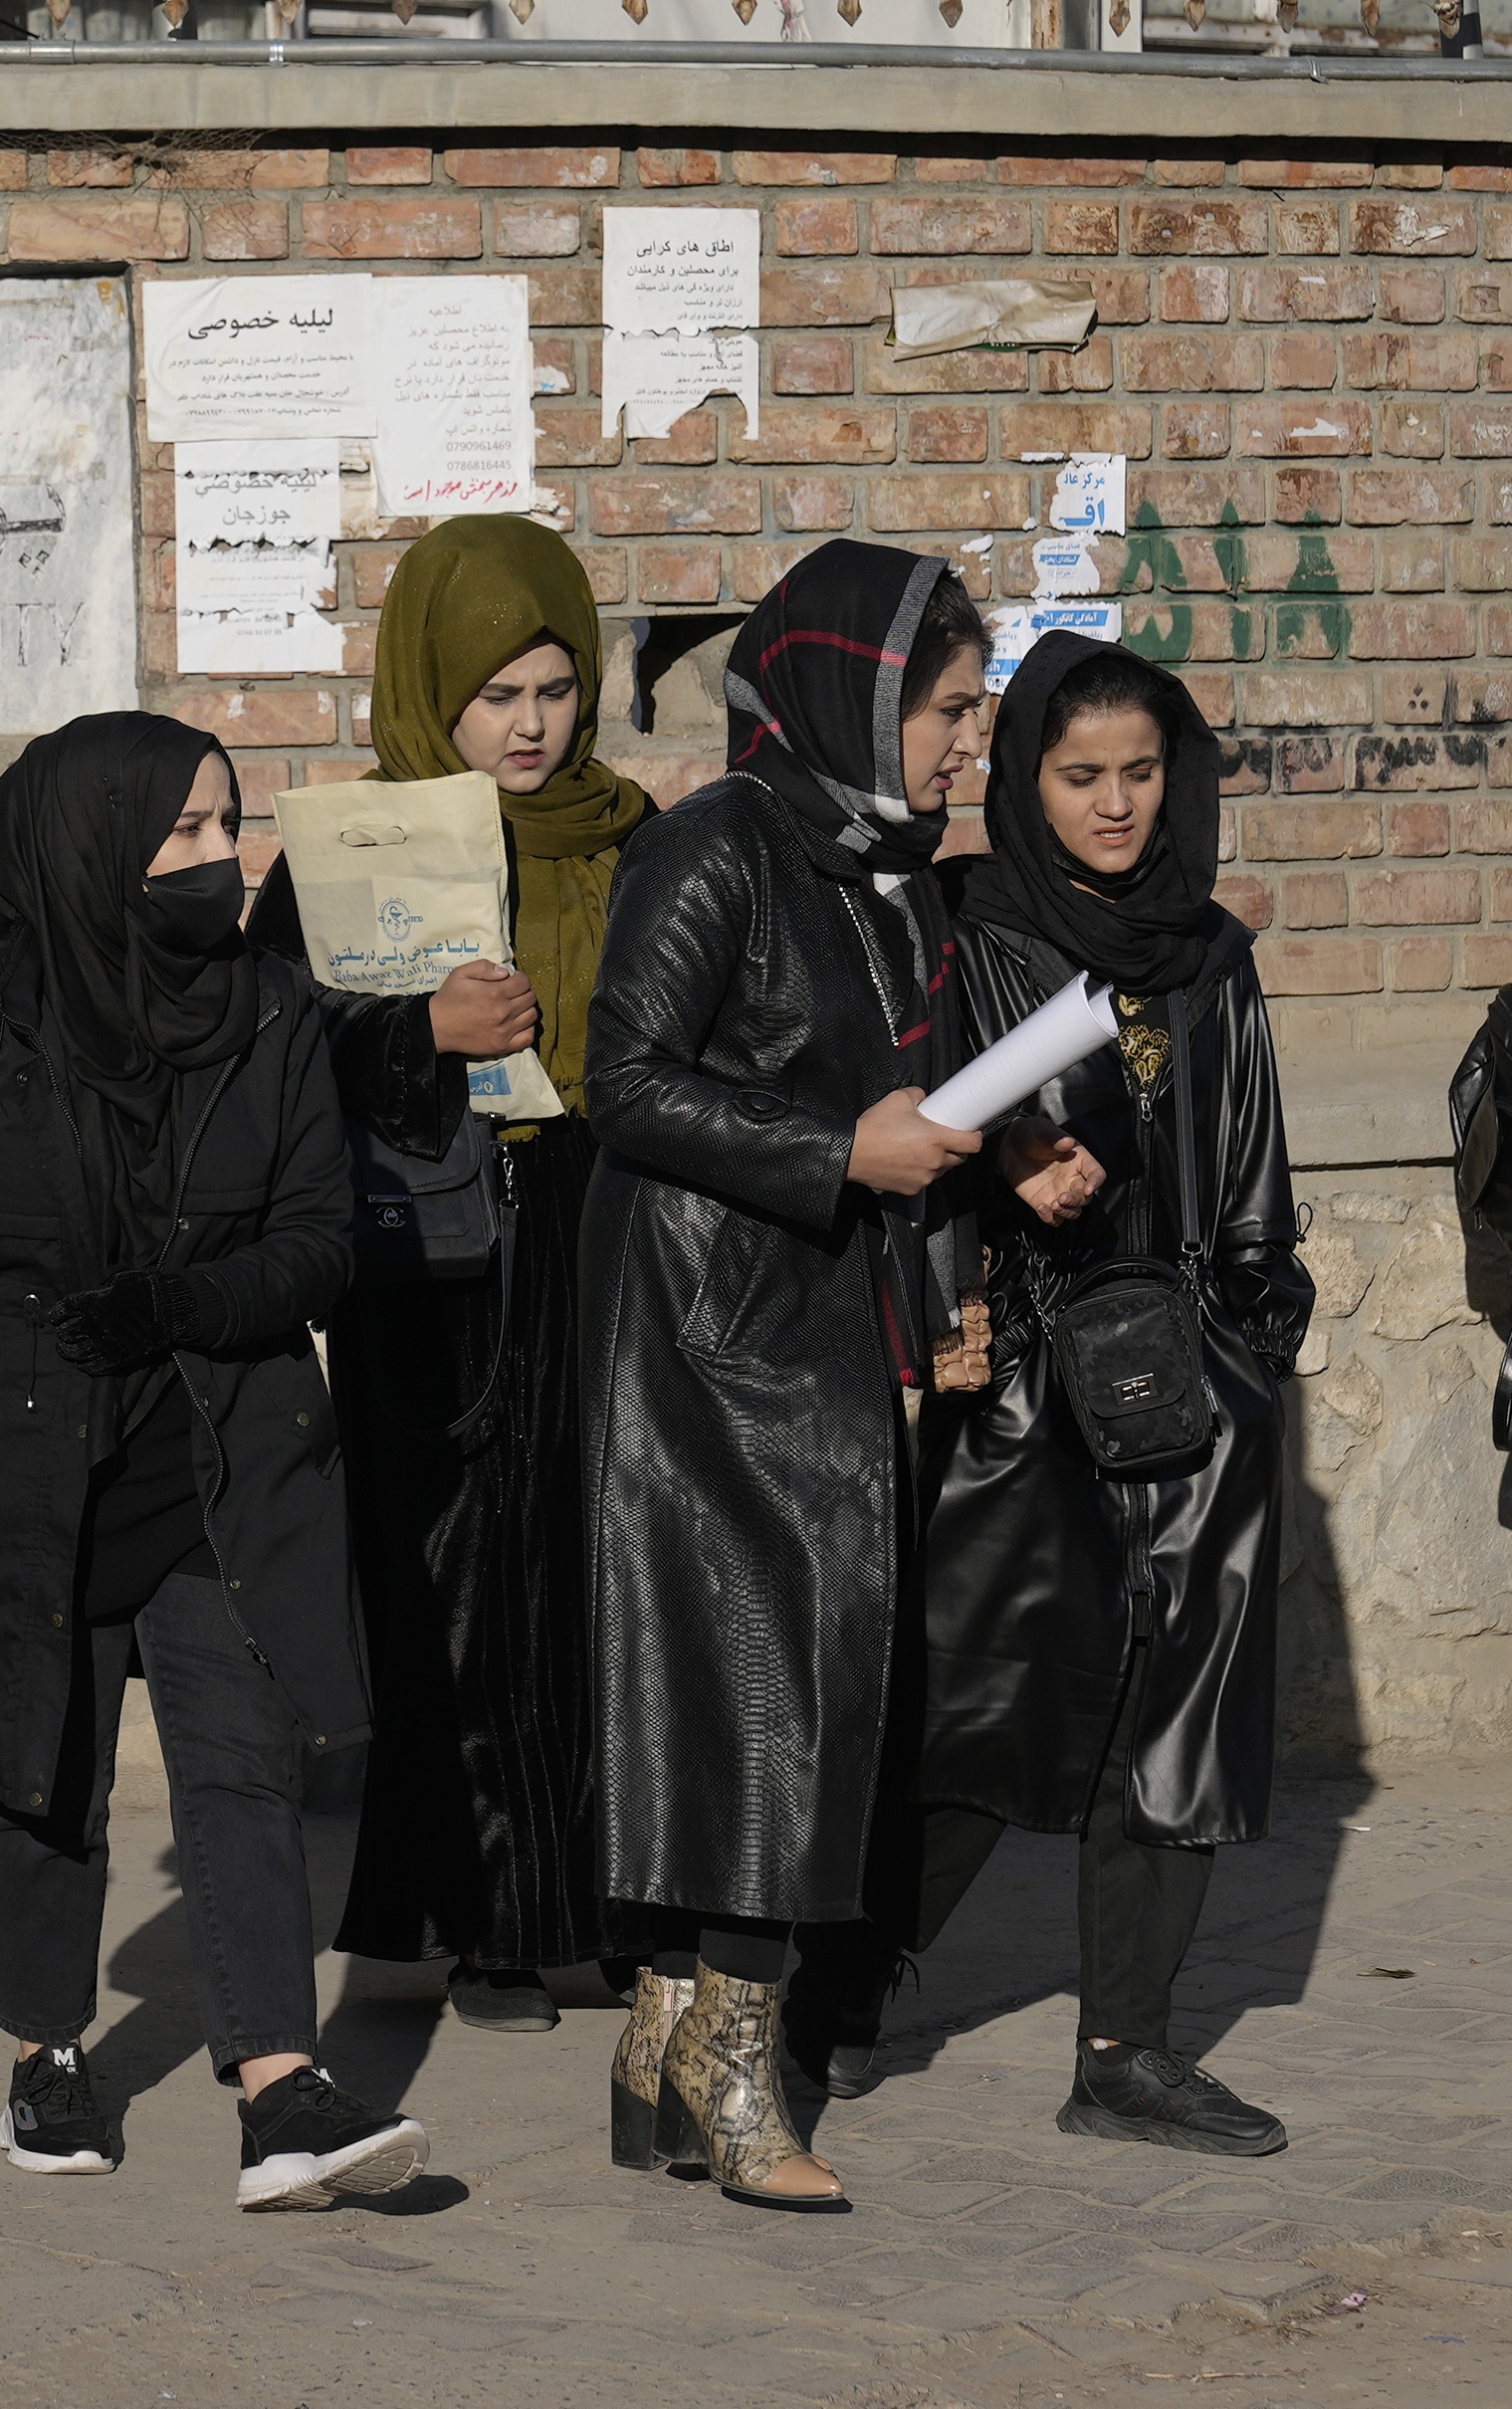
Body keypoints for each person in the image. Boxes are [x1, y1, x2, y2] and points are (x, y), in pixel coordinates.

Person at [0, 712, 423, 2213]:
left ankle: (280, 2088)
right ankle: (47, 2054)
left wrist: (182, 1304)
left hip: (212, 1459)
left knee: (241, 1763)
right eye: (187, 834)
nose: (224, 862)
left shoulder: (275, 1015)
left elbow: (316, 1246)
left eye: (232, 827)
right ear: (93, 847)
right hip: (17, 1471)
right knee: (49, 1774)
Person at [579, 540, 996, 2219]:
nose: (967, 744)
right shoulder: (713, 847)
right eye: (949, 711)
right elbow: (619, 1080)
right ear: (858, 691)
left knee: (753, 1674)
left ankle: (662, 2042)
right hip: (704, 1331)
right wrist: (841, 1146)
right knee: (768, 1684)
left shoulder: (874, 858)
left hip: (813, 1313)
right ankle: (734, 2072)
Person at [894, 637, 1313, 2155]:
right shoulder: (969, 929)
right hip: (1017, 1389)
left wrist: (1249, 1355)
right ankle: (831, 1994)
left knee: (1179, 1723)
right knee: (975, 1708)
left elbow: (1259, 1176)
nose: (1119, 806)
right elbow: (915, 1140)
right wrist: (998, 1223)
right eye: (1082, 777)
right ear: (1026, 780)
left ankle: (1127, 2047)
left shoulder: (1209, 950)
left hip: (1194, 1397)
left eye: (1143, 774)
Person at [245, 516, 647, 2035]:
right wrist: (418, 1033)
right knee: (448, 1578)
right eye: (497, 696)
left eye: (553, 688)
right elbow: (266, 1047)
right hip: (426, 1259)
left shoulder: (631, 833)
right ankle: (475, 1919)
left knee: (586, 1572)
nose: (531, 726)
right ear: (432, 695)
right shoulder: (347, 853)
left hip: (595, 1241)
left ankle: (584, 1905)